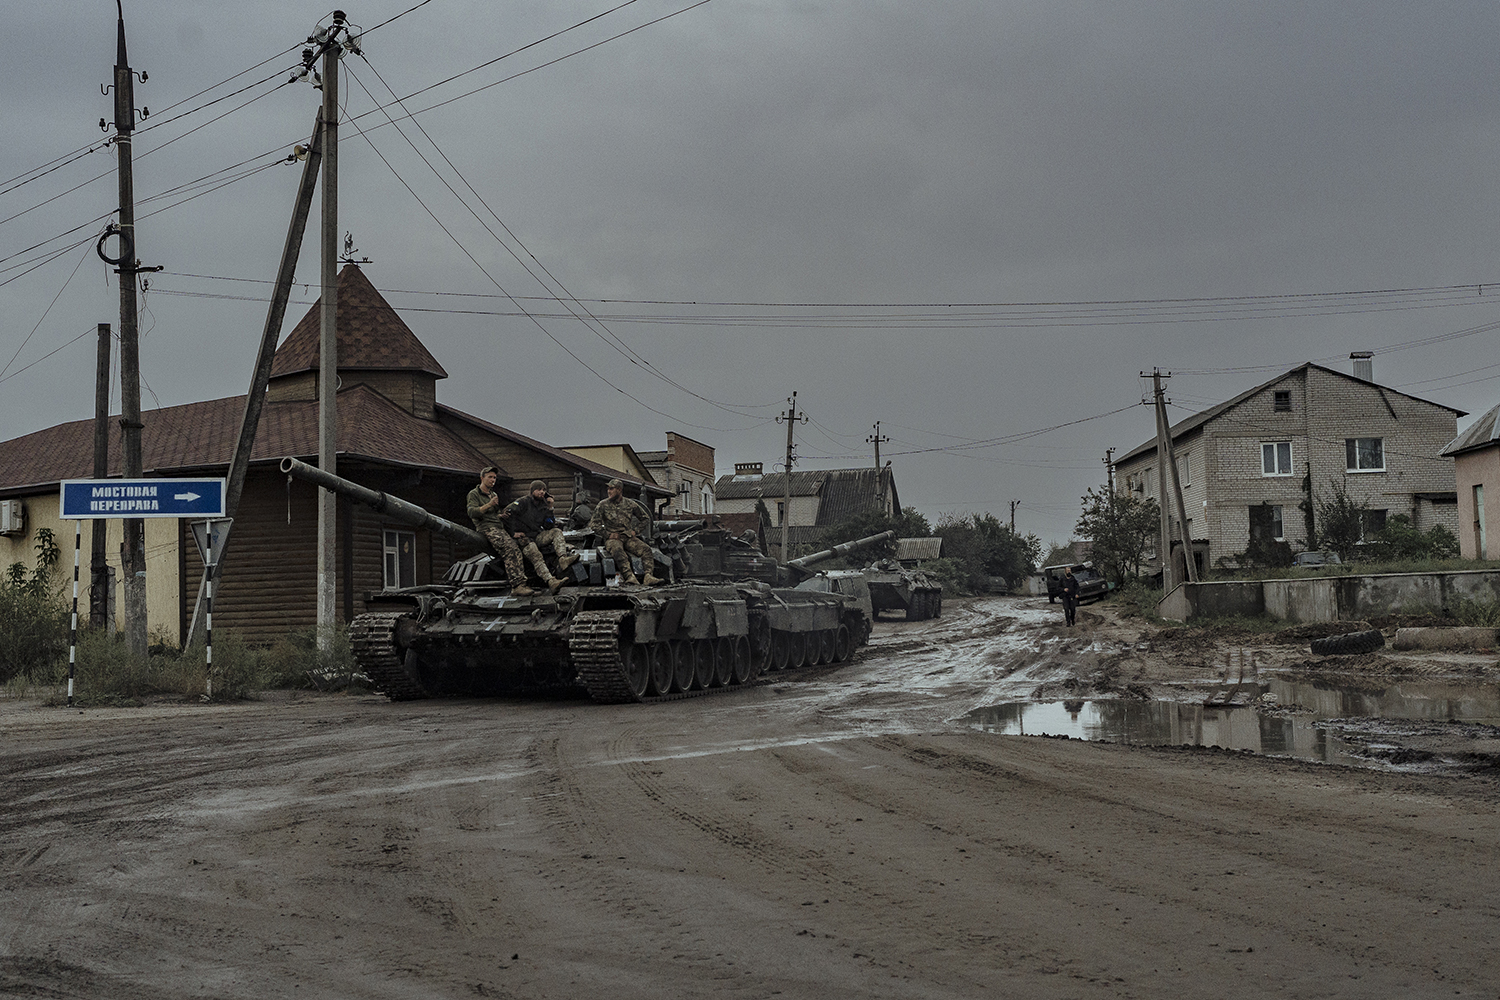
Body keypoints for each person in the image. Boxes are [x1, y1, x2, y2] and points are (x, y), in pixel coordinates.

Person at [466, 467, 560, 596]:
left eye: (494, 477)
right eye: (490, 477)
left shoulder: (493, 494)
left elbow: (495, 513)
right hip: (487, 527)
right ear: (482, 478)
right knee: (511, 549)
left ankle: (523, 583)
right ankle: (518, 585)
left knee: (515, 548)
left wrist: (499, 516)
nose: (493, 480)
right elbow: (472, 512)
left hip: (499, 526)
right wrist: (490, 505)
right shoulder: (474, 494)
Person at [502, 480, 579, 588]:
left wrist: (550, 507)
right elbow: (506, 514)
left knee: (556, 532)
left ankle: (563, 559)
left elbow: (549, 526)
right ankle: (550, 581)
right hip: (524, 538)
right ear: (532, 490)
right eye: (538, 489)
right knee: (535, 553)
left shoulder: (543, 505)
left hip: (537, 535)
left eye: (544, 490)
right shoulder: (523, 502)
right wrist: (512, 533)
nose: (541, 492)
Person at [588, 478, 662, 586]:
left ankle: (648, 576)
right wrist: (608, 534)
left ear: (619, 490)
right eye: (608, 489)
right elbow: (594, 524)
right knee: (617, 551)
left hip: (627, 537)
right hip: (613, 538)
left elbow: (645, 518)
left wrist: (635, 531)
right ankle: (630, 577)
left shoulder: (630, 504)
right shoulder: (602, 505)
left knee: (646, 549)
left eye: (611, 489)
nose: (609, 491)